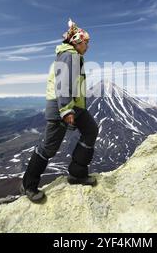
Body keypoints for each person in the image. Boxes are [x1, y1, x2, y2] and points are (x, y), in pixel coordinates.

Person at [20, 19, 99, 203]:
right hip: (61, 107)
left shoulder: (73, 56)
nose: (88, 46)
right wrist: (66, 110)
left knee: (90, 130)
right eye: (86, 42)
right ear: (77, 41)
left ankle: (77, 174)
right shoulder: (68, 56)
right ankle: (28, 185)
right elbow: (62, 84)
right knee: (49, 147)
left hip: (75, 106)